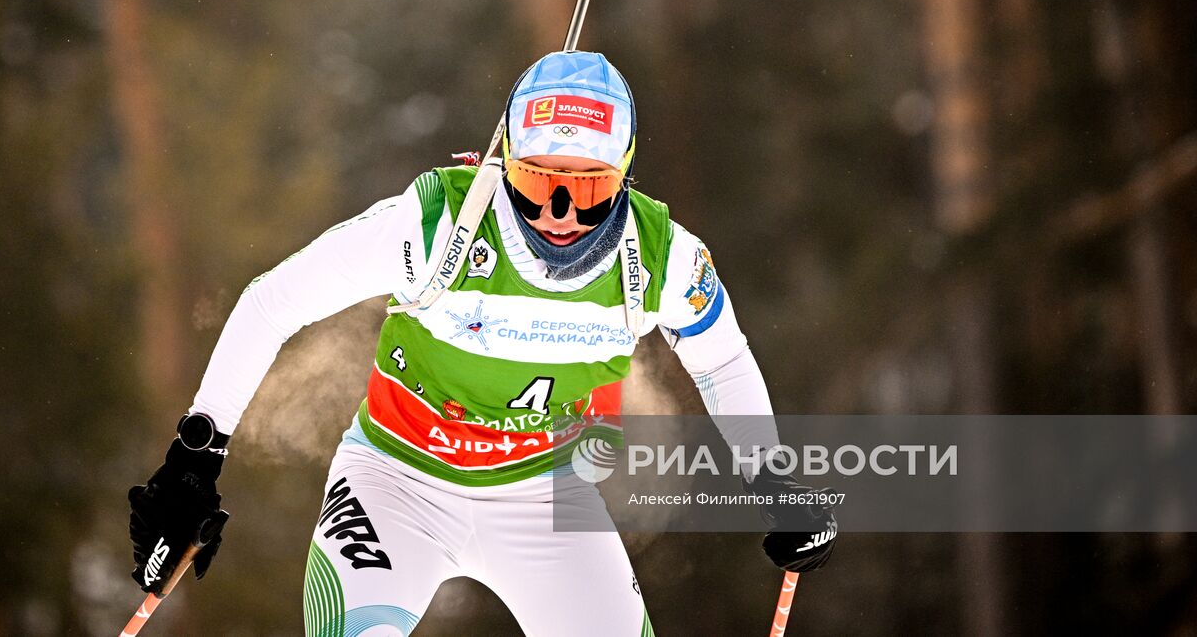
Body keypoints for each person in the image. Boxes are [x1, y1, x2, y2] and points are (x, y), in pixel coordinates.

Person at [127, 51, 836, 636]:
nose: (559, 215)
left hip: (543, 493)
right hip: (396, 480)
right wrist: (194, 457)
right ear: (504, 161)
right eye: (537, 182)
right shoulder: (437, 224)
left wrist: (767, 473)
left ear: (625, 174)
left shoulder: (661, 259)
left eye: (587, 190)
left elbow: (721, 355)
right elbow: (273, 300)